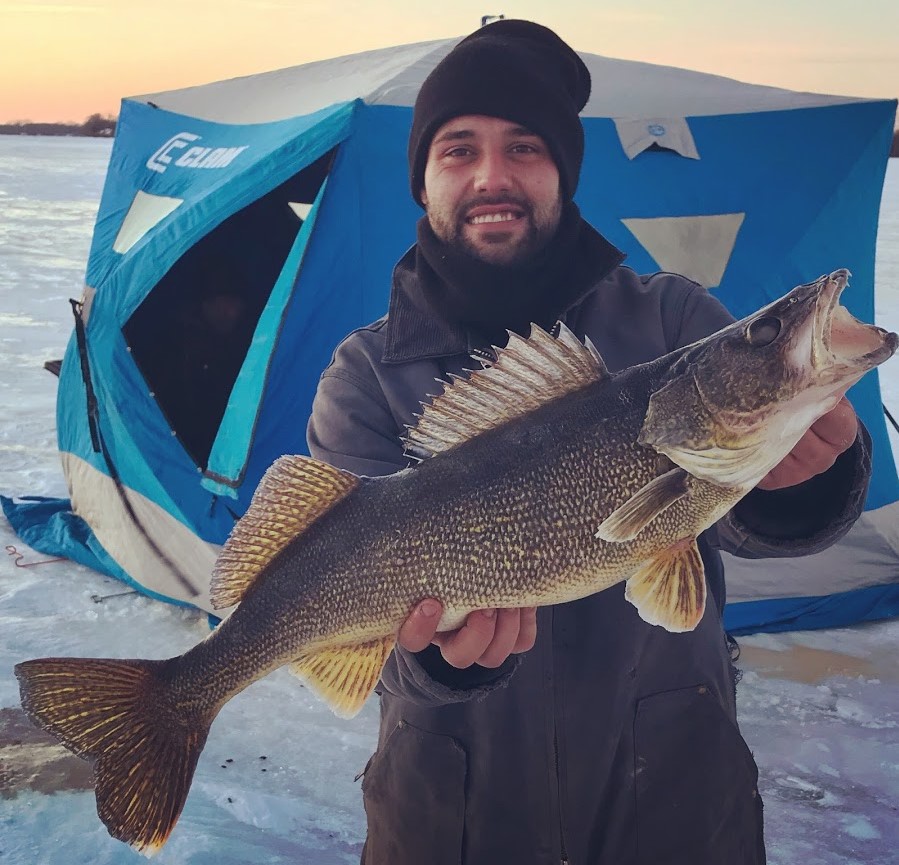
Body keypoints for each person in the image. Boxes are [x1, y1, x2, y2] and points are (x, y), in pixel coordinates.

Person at [306, 20, 870, 865]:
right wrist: (442, 664)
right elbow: (350, 617)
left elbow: (739, 516)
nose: (492, 176)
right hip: (451, 814)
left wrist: (803, 482)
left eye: (525, 147)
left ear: (563, 174)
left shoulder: (671, 318)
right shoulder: (364, 371)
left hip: (677, 796)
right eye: (458, 150)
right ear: (421, 177)